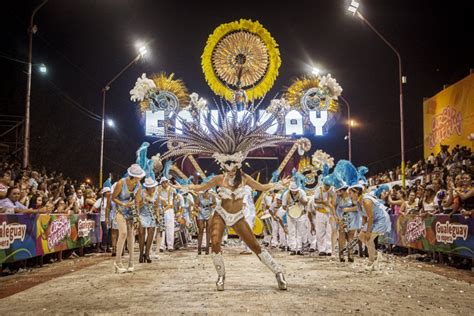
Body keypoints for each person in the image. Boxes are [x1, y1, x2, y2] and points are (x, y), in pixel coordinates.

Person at [162, 110, 293, 291]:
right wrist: (183, 187)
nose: (229, 170)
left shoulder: (245, 178)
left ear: (238, 165)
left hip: (238, 217)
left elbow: (262, 187)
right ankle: (221, 276)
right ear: (223, 165)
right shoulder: (218, 179)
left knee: (254, 245)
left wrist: (280, 184)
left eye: (232, 167)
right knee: (214, 241)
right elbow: (199, 188)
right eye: (226, 167)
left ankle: (278, 272)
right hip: (221, 214)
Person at [111, 164, 145, 273]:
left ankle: (131, 262)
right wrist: (123, 204)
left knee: (131, 236)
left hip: (131, 212)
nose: (140, 177)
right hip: (120, 210)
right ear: (133, 176)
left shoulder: (139, 186)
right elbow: (113, 198)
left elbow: (137, 202)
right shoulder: (121, 182)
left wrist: (137, 217)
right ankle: (118, 262)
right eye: (139, 176)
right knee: (123, 233)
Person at [348, 185, 391, 270]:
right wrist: (362, 227)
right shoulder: (358, 201)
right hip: (373, 219)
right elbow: (364, 216)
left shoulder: (366, 201)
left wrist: (368, 232)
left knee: (369, 239)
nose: (349, 195)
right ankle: (375, 254)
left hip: (380, 219)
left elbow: (370, 217)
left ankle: (371, 261)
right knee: (361, 236)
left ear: (356, 193)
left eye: (350, 193)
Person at [334, 184, 360, 262]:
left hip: (352, 218)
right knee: (341, 235)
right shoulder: (338, 197)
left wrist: (348, 209)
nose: (336, 192)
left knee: (350, 236)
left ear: (342, 190)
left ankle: (350, 254)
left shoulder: (351, 196)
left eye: (338, 190)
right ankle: (341, 254)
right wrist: (336, 217)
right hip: (341, 218)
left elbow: (358, 208)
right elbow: (333, 206)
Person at [310, 178, 335, 256]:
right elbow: (315, 200)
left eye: (329, 186)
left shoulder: (332, 189)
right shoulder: (318, 189)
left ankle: (329, 249)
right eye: (327, 185)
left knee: (329, 231)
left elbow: (334, 200)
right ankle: (321, 249)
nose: (328, 187)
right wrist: (324, 202)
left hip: (330, 212)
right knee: (320, 231)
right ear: (324, 184)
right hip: (320, 212)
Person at [282, 182, 308, 255]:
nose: (294, 191)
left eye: (295, 190)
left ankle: (299, 249)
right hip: (290, 214)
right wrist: (288, 209)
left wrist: (300, 200)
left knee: (300, 231)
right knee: (292, 231)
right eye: (292, 190)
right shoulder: (286, 194)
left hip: (301, 214)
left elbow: (306, 203)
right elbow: (283, 206)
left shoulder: (302, 192)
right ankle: (293, 248)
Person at [138, 177, 159, 263]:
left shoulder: (156, 193)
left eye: (154, 187)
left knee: (150, 235)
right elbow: (137, 205)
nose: (153, 189)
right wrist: (144, 200)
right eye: (151, 187)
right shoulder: (141, 193)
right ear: (147, 188)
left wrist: (158, 216)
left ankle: (147, 254)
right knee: (141, 235)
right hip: (142, 215)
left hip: (152, 216)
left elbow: (157, 206)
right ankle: (140, 254)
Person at [158, 177, 177, 252]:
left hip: (169, 210)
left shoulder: (171, 189)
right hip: (161, 209)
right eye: (163, 182)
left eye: (166, 182)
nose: (165, 184)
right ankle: (161, 246)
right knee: (162, 228)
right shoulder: (159, 189)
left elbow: (175, 196)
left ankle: (170, 246)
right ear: (161, 183)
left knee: (170, 228)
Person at [197, 190, 214, 255]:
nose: (206, 193)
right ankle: (199, 248)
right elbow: (196, 204)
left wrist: (212, 206)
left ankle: (207, 248)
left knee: (208, 230)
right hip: (201, 212)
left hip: (209, 212)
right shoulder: (199, 196)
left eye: (207, 191)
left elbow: (215, 204)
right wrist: (198, 208)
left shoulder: (212, 196)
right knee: (201, 229)